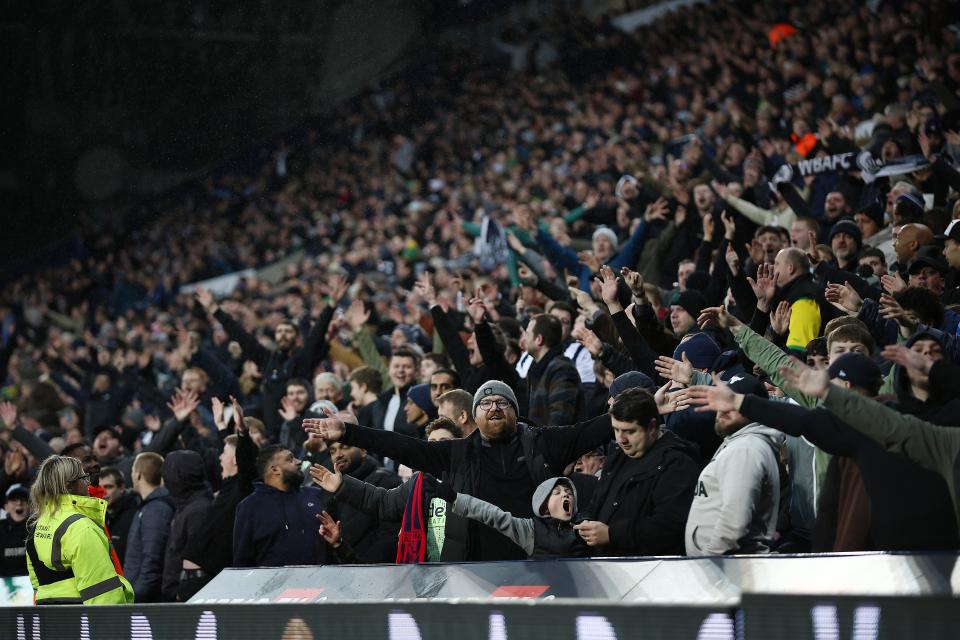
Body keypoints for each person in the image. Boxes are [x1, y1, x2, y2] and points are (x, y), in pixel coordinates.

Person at [304, 379, 612, 561]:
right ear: (474, 416)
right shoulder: (457, 454)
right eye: (486, 403)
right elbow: (402, 447)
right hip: (477, 571)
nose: (494, 407)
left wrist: (636, 406)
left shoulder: (545, 443)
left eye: (502, 402)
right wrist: (349, 433)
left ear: (515, 411)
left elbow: (595, 429)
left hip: (541, 565)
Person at [574, 388, 700, 556]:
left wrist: (611, 534)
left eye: (630, 431)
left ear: (652, 427)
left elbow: (669, 528)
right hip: (605, 564)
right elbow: (596, 501)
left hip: (648, 568)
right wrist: (585, 521)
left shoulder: (678, 464)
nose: (621, 439)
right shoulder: (618, 454)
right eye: (616, 430)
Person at [684, 374, 784, 556]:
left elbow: (734, 524)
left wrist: (709, 561)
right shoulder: (740, 443)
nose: (723, 409)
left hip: (729, 567)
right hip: (729, 566)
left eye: (733, 403)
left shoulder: (745, 449)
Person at [25, 455, 134, 604]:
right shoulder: (81, 527)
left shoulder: (36, 526)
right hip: (83, 615)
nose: (88, 483)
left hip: (50, 616)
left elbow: (37, 586)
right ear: (69, 486)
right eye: (84, 478)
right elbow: (103, 596)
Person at [182, 400, 258, 592]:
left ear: (236, 459)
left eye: (224, 453)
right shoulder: (228, 485)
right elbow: (231, 447)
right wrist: (221, 426)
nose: (220, 457)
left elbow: (246, 462)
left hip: (208, 583)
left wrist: (242, 431)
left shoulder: (242, 487)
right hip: (193, 581)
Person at [433, 475, 589, 559]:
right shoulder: (531, 530)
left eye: (568, 493)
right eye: (557, 493)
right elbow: (492, 514)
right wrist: (455, 498)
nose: (565, 495)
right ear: (544, 506)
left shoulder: (585, 525)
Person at [233, 445, 337, 567]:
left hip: (321, 577)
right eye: (290, 459)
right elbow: (242, 561)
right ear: (275, 470)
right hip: (272, 579)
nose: (299, 462)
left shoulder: (317, 495)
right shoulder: (249, 507)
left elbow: (335, 542)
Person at [327, 440, 401, 562]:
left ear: (362, 450)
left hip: (380, 569)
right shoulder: (336, 487)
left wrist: (366, 568)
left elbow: (391, 536)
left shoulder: (386, 480)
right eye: (332, 451)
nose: (338, 455)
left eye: (345, 447)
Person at [160, 450, 213, 601]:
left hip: (186, 600)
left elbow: (196, 561)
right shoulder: (185, 506)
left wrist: (180, 593)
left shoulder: (198, 511)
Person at [123, 452, 174, 603]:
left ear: (138, 475)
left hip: (144, 599)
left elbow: (152, 558)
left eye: (132, 471)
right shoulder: (149, 506)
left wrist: (137, 596)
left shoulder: (156, 509)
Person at [520, 314, 581, 426]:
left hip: (552, 437)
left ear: (539, 339)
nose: (524, 339)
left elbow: (560, 420)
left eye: (527, 334)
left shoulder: (563, 370)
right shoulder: (536, 369)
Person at [99, 466, 139, 564]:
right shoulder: (96, 516)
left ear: (121, 488)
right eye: (100, 487)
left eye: (108, 487)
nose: (103, 492)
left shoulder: (134, 515)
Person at [0, 484, 30, 576]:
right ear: (6, 507)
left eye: (24, 500)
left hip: (32, 581)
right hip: (4, 581)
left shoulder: (38, 529)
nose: (19, 503)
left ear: (31, 506)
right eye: (14, 500)